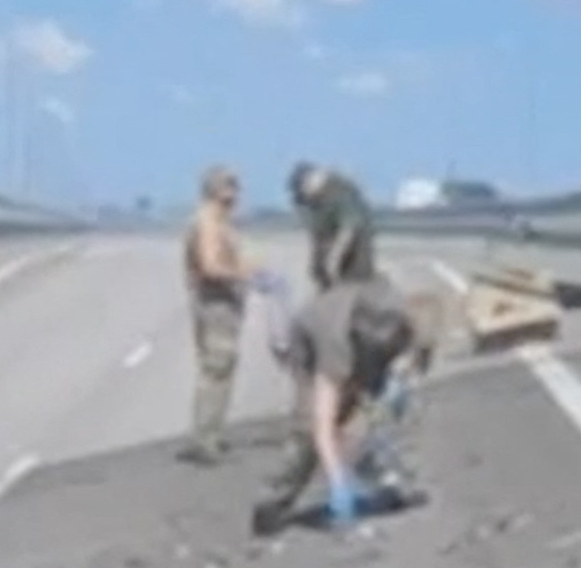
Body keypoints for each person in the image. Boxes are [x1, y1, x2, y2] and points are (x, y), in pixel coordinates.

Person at [252, 274, 421, 537]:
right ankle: (274, 501)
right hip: (307, 347)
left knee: (371, 417)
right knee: (309, 433)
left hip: (356, 340)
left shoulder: (396, 318)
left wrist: (395, 389)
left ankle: (377, 473)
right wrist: (338, 483)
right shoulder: (334, 348)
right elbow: (322, 427)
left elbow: (411, 356)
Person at [179, 165, 249, 464]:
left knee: (220, 370)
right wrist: (244, 275)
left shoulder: (218, 221)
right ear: (217, 190)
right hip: (215, 304)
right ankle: (204, 440)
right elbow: (210, 266)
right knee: (216, 369)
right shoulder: (208, 222)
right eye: (231, 187)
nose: (236, 194)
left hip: (222, 304)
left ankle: (209, 434)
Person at [287, 161, 378, 292]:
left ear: (309, 183)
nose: (303, 199)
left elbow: (349, 230)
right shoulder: (312, 202)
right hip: (330, 236)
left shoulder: (339, 192)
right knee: (319, 272)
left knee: (354, 279)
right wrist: (318, 262)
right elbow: (315, 233)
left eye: (302, 192)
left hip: (356, 240)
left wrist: (333, 260)